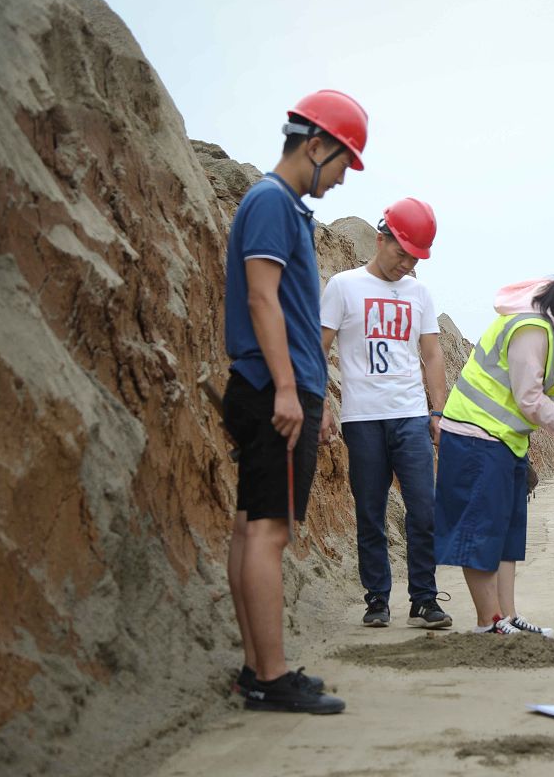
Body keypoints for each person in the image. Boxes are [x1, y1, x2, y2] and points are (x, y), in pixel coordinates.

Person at [223, 89, 368, 714]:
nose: (339, 180)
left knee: (251, 526)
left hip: (281, 388)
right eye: (341, 164)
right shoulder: (272, 203)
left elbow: (290, 312)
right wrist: (288, 388)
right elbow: (261, 300)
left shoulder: (280, 207)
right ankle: (271, 678)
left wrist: (313, 393)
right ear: (315, 145)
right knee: (269, 531)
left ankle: (259, 669)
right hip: (269, 390)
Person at [435, 245, 554, 635]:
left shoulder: (549, 324)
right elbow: (529, 397)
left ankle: (506, 616)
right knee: (482, 532)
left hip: (503, 441)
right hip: (477, 436)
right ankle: (487, 621)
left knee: (507, 534)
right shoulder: (532, 326)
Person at [321, 197, 452, 630]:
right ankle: (377, 598)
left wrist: (438, 413)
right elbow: (317, 350)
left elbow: (432, 356)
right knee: (370, 512)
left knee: (424, 508)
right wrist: (320, 400)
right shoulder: (343, 286)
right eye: (401, 254)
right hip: (362, 418)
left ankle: (424, 598)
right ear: (380, 240)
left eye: (415, 259)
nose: (406, 265)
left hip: (411, 414)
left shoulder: (419, 293)